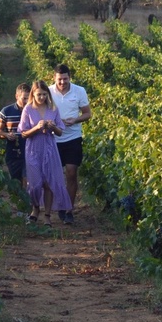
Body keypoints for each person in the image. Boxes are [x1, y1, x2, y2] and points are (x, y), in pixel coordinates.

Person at [19, 79, 72, 227]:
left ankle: (47, 215)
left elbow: (60, 132)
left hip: (49, 149)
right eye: (38, 95)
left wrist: (53, 127)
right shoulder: (28, 109)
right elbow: (23, 133)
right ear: (33, 95)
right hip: (33, 150)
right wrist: (36, 128)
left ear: (47, 94)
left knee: (49, 182)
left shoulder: (53, 109)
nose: (41, 97)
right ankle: (35, 209)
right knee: (35, 183)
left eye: (44, 94)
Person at [49, 63, 91, 225]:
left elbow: (87, 113)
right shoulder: (49, 92)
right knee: (56, 175)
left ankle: (69, 209)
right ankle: (59, 204)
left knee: (72, 173)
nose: (62, 82)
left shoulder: (79, 91)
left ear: (69, 78)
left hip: (73, 137)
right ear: (54, 78)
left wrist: (75, 120)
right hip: (53, 139)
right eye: (59, 79)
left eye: (65, 79)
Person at [0, 82, 31, 189]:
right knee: (16, 181)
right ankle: (22, 203)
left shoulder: (33, 111)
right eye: (24, 98)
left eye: (28, 98)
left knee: (27, 178)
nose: (26, 102)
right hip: (13, 151)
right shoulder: (6, 111)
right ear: (16, 96)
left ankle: (30, 203)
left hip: (30, 148)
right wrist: (6, 135)